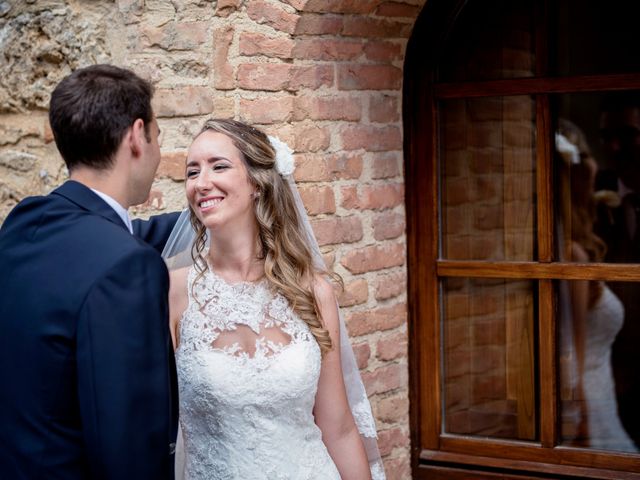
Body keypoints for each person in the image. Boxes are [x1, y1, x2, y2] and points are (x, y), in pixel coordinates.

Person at [164, 119, 384, 479]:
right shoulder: (174, 293)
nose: (201, 183)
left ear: (257, 182)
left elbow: (339, 426)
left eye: (218, 166)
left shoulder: (311, 292)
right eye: (192, 172)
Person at [0, 64, 180, 479]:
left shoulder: (26, 220)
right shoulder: (129, 266)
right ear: (137, 136)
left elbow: (112, 237)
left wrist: (199, 216)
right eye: (158, 137)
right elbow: (129, 448)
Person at [556, 120, 637, 452]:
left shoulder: (582, 240)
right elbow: (568, 350)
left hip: (605, 392)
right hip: (591, 404)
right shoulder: (571, 254)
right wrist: (578, 414)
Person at [594, 91, 640, 448]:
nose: (614, 146)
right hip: (612, 365)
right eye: (606, 136)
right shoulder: (591, 195)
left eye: (626, 134)